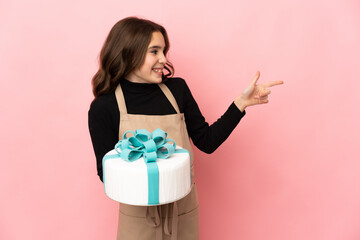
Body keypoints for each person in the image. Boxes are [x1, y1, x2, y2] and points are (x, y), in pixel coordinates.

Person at [88, 16, 283, 240]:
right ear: (130, 52)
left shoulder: (177, 89)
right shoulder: (104, 106)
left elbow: (207, 142)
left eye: (164, 51)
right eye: (154, 51)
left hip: (184, 213)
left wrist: (241, 104)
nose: (163, 59)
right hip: (139, 219)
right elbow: (107, 174)